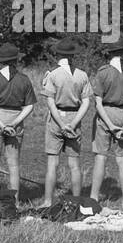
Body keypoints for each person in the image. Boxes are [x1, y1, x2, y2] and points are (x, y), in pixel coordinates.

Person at [41, 36, 93, 207]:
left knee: (52, 163)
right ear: (72, 56)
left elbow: (49, 101)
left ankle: (48, 201)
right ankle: (76, 201)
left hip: (57, 118)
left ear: (58, 55)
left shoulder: (53, 74)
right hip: (74, 118)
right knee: (75, 165)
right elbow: (86, 102)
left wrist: (62, 124)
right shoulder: (82, 75)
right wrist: (74, 122)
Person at [90, 38, 123, 206]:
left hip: (106, 112)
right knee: (122, 159)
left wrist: (110, 125)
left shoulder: (102, 73)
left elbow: (97, 102)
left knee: (100, 156)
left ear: (109, 54)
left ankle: (94, 198)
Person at [0, 42, 36, 196]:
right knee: (13, 165)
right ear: (16, 60)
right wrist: (14, 123)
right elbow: (30, 106)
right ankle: (15, 201)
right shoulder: (24, 79)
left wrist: (1, 124)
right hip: (16, 120)